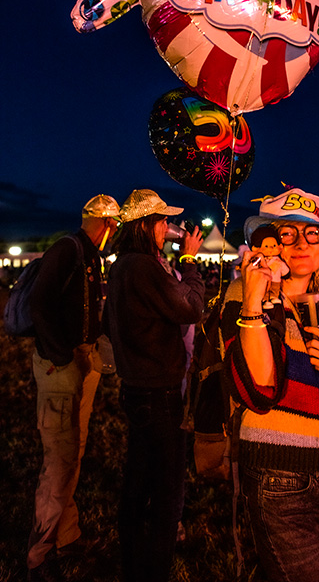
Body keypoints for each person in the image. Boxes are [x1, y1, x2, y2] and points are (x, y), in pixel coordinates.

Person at [220, 187, 319, 582]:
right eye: (287, 234)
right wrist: (254, 302)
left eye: (313, 234)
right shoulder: (244, 297)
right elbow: (259, 391)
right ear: (269, 244)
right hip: (278, 479)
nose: (300, 244)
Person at [103, 189, 205, 582]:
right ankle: (155, 569)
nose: (169, 228)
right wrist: (190, 260)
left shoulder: (122, 266)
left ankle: (132, 565)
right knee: (166, 492)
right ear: (147, 225)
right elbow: (191, 307)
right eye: (163, 221)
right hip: (159, 393)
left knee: (137, 482)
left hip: (135, 388)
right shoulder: (144, 267)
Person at [27, 194, 121, 582]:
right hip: (62, 365)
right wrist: (61, 358)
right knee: (60, 459)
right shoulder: (68, 250)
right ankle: (39, 556)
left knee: (73, 452)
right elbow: (39, 304)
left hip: (80, 360)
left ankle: (66, 534)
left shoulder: (88, 254)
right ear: (108, 224)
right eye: (116, 226)